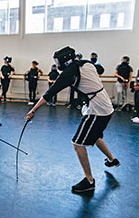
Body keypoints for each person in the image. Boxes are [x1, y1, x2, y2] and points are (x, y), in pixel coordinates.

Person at [26, 46, 120, 193]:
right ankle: (111, 160)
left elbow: (50, 92)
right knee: (94, 136)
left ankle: (89, 181)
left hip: (97, 110)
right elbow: (99, 70)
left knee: (77, 143)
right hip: (104, 105)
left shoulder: (70, 72)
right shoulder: (87, 63)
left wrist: (33, 110)